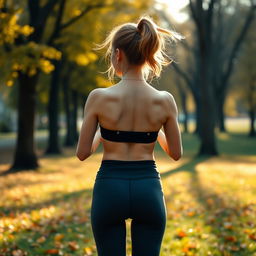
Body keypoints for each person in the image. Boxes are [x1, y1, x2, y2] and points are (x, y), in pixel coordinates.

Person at [76, 15, 183, 256]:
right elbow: (176, 154)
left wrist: (103, 135)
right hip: (148, 189)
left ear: (118, 54)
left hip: (109, 189)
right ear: (146, 53)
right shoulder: (165, 100)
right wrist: (152, 134)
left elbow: (83, 153)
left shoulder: (98, 98)